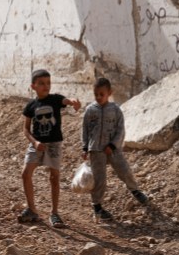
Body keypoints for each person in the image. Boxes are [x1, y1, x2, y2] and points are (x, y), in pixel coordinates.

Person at [20, 69, 81, 228]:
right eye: (41, 83)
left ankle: (54, 213)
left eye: (48, 83)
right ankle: (32, 209)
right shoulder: (31, 106)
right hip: (36, 144)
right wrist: (34, 143)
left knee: (54, 177)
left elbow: (67, 101)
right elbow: (26, 129)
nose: (45, 86)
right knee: (26, 174)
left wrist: (74, 101)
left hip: (54, 144)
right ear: (33, 86)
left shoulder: (55, 99)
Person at [82, 77, 148, 222]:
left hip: (113, 149)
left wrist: (112, 145)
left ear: (109, 92)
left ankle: (135, 191)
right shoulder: (90, 110)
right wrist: (85, 147)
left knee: (124, 170)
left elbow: (120, 130)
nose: (99, 97)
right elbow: (85, 130)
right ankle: (97, 207)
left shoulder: (116, 110)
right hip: (96, 150)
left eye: (102, 94)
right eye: (96, 94)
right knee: (100, 179)